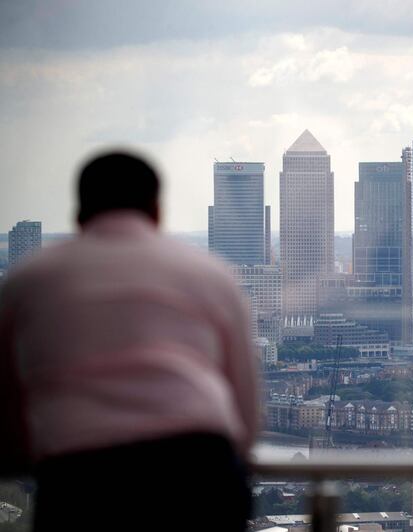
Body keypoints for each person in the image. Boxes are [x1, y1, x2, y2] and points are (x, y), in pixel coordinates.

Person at [0, 152, 259, 531]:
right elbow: (245, 406)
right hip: (199, 469)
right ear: (156, 209)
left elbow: (7, 402)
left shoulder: (29, 279)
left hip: (83, 475)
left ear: (80, 211)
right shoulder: (211, 274)